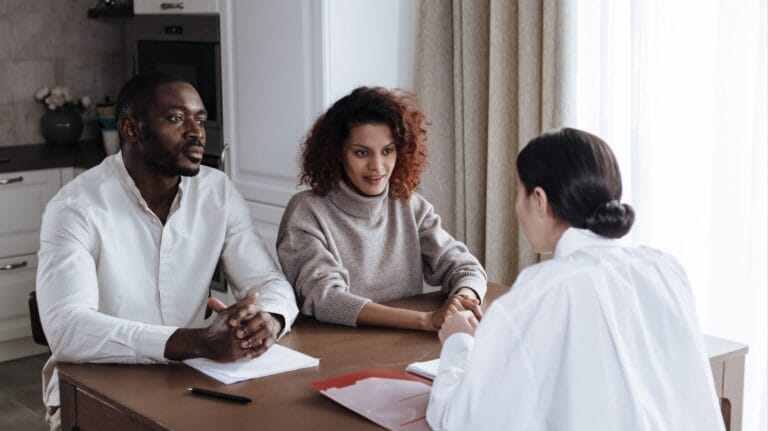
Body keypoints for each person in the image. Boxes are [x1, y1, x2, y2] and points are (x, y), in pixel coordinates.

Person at [36, 72, 299, 430]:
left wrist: (269, 318)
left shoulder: (217, 192)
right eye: (176, 119)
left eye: (200, 120)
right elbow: (67, 329)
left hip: (192, 383)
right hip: (96, 391)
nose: (196, 132)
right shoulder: (75, 208)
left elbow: (268, 280)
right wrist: (196, 341)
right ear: (131, 129)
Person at [426, 128, 724, 430]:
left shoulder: (538, 294)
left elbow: (461, 422)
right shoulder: (666, 269)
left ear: (539, 200)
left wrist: (458, 342)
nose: (517, 207)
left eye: (518, 191)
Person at [276, 86, 487, 331]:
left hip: (403, 346)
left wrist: (462, 298)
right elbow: (326, 299)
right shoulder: (306, 213)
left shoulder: (409, 205)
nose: (377, 166)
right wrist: (425, 320)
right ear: (337, 154)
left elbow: (467, 267)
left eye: (387, 151)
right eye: (361, 153)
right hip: (334, 348)